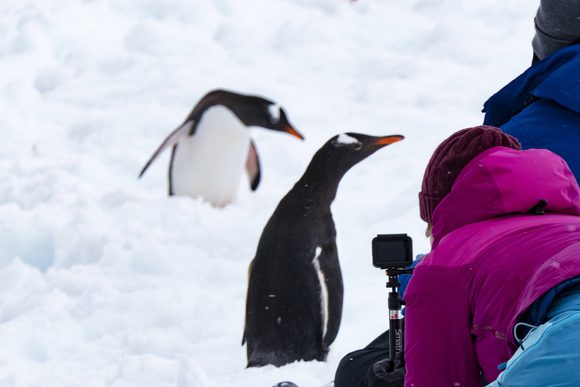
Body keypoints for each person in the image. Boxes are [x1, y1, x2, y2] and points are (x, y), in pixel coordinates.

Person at [335, 1, 580, 385]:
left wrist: (422, 284)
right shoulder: (566, 220)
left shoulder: (531, 128)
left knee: (360, 370)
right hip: (549, 318)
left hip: (565, 336)